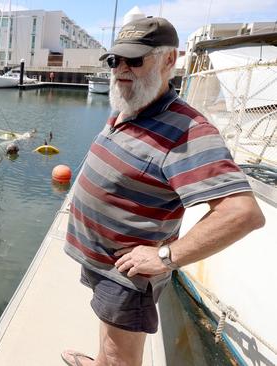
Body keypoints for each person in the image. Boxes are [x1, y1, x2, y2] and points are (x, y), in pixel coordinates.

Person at [61, 17, 265, 366]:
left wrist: (164, 257)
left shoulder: (188, 130)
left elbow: (242, 213)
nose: (121, 69)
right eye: (115, 60)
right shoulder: (131, 107)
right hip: (104, 265)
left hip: (126, 277)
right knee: (107, 332)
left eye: (135, 60)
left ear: (169, 60)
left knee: (120, 356)